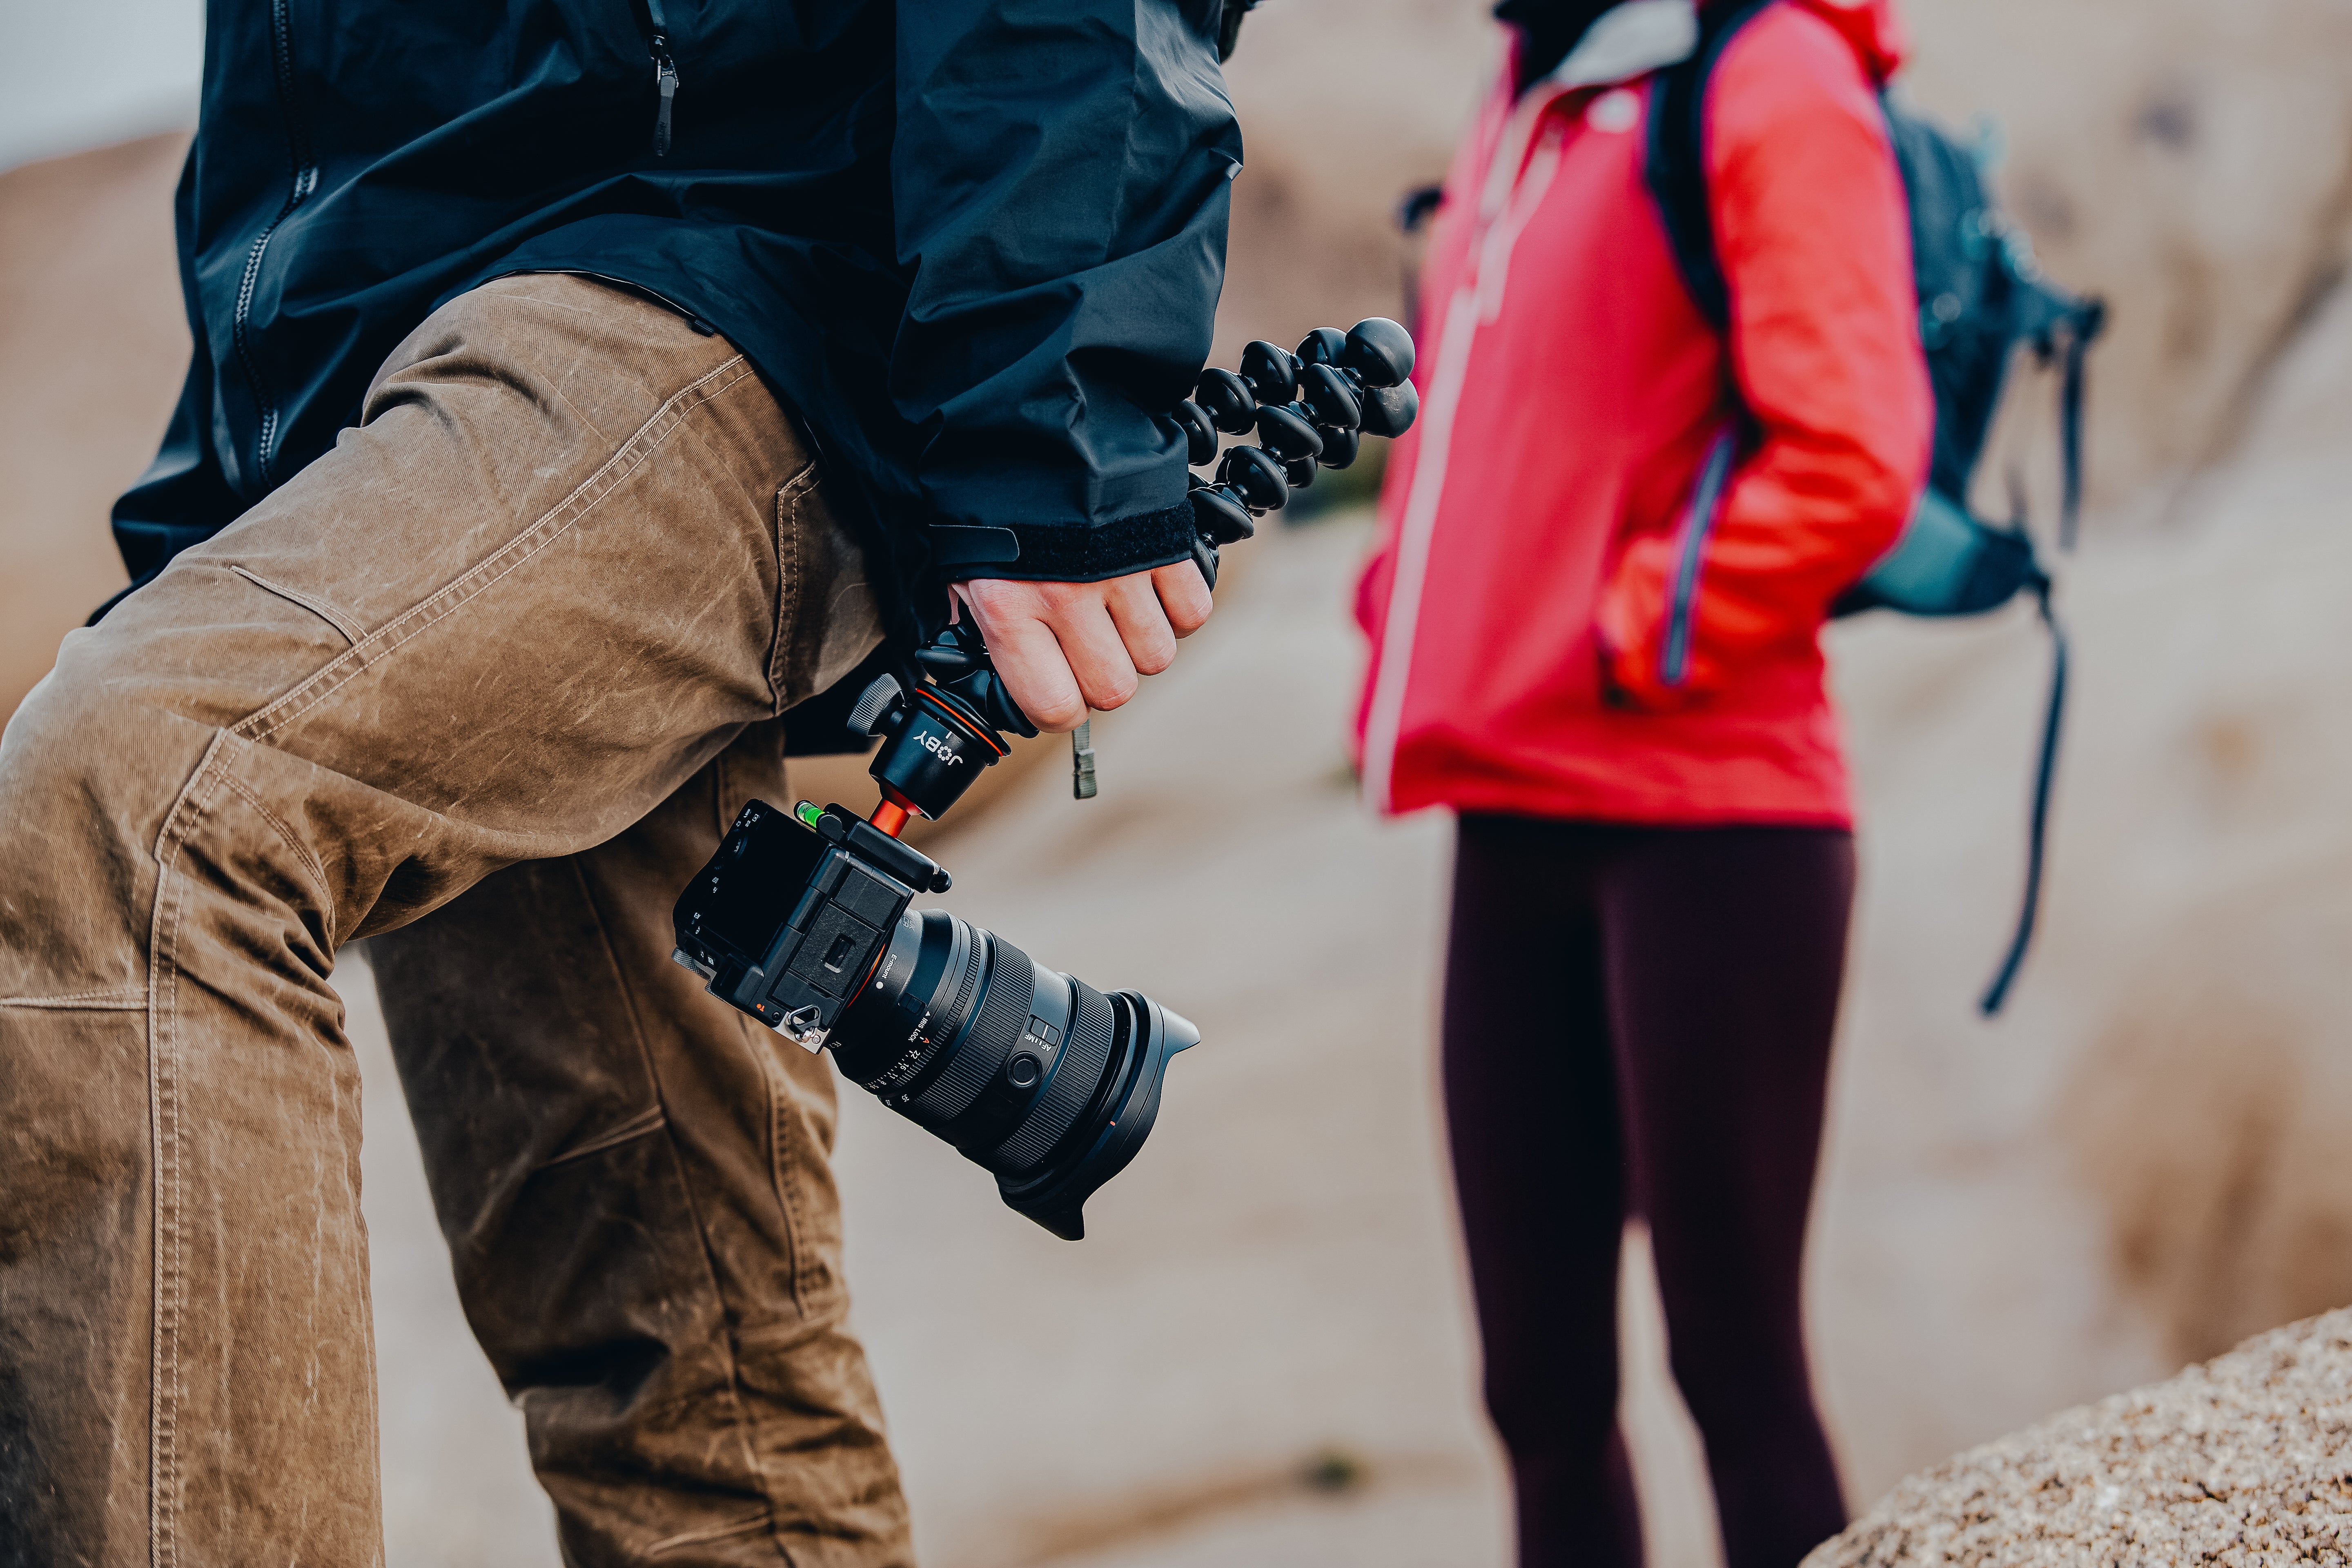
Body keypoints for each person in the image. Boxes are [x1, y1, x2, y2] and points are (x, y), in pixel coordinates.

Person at [0, 2, 1247, 1563]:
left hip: (714, 253)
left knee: (143, 813)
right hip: (380, 374)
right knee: (687, 1373)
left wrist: (1053, 398)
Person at [1352, 1, 1931, 1565]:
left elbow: (1857, 454)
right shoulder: (1525, 83)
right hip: (1509, 805)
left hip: (1715, 815)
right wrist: (1405, 602)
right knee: (1536, 1393)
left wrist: (1623, 627)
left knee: (1737, 1376)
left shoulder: (1773, 73)